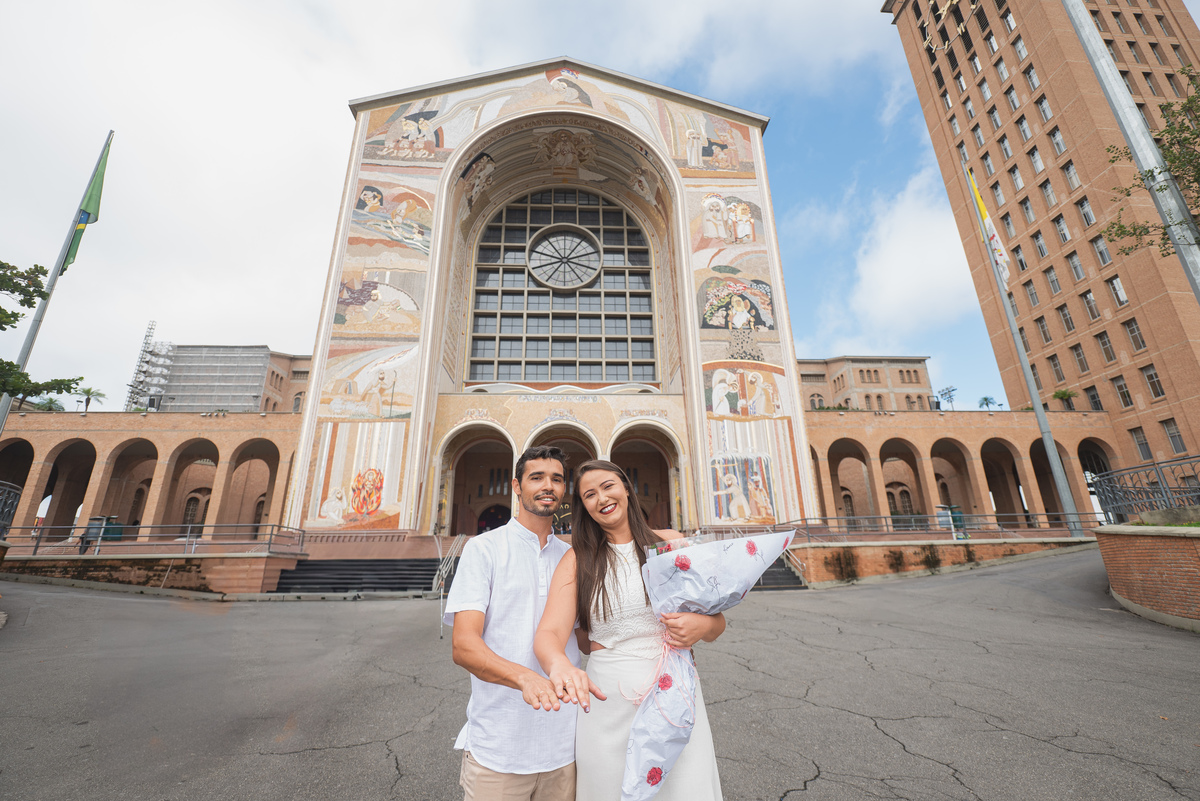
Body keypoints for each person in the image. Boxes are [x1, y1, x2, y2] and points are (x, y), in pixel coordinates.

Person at [534, 460, 725, 800]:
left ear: (625, 487)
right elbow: (549, 632)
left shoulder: (672, 545)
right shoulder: (579, 559)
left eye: (608, 486)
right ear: (584, 508)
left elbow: (716, 624)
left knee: (682, 789)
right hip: (608, 704)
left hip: (674, 698)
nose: (601, 498)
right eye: (589, 495)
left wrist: (702, 624)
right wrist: (560, 665)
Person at [444, 445, 602, 801]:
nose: (548, 485)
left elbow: (585, 640)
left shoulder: (573, 557)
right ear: (517, 486)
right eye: (537, 477)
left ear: (564, 491)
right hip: (499, 750)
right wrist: (525, 677)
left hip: (565, 750)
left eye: (557, 479)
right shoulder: (484, 550)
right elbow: (464, 646)